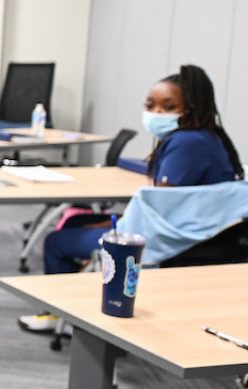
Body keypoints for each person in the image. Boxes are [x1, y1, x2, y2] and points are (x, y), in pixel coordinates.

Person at [20, 64, 243, 332]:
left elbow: (159, 213)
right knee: (73, 224)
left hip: (174, 236)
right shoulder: (208, 137)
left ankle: (63, 315)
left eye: (168, 107)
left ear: (192, 107)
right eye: (150, 105)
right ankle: (75, 307)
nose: (155, 114)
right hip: (197, 230)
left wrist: (109, 227)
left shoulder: (187, 143)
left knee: (56, 242)